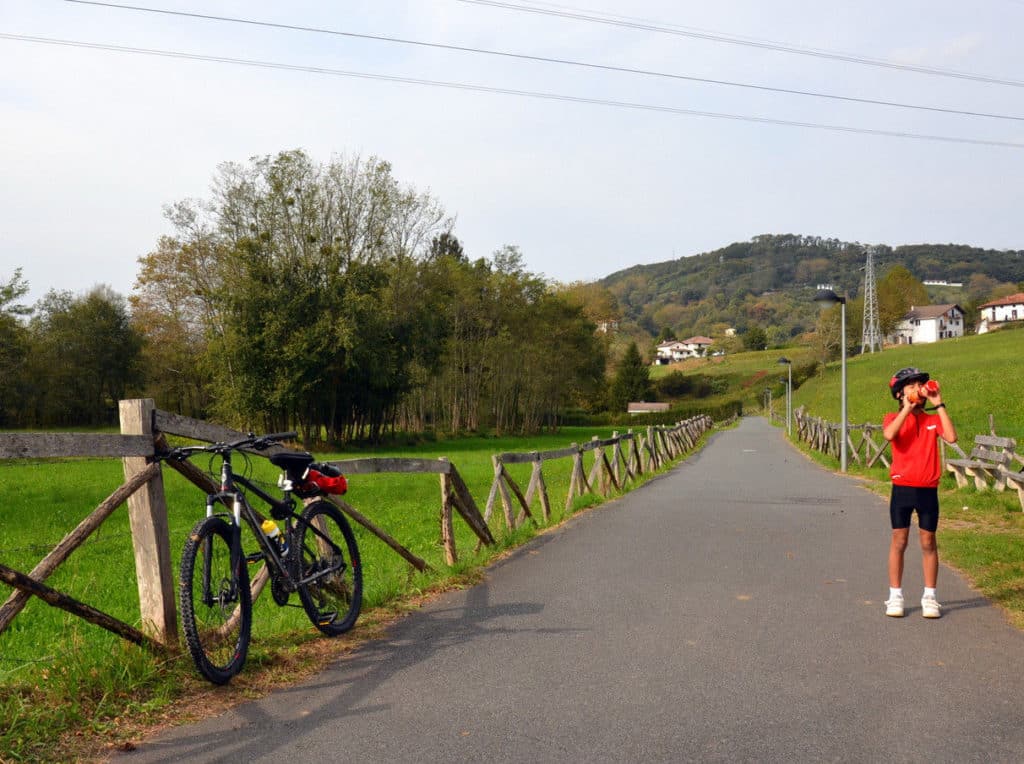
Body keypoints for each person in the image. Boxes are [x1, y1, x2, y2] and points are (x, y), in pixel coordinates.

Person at [881, 367, 957, 619]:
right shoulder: (893, 417)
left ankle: (930, 597)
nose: (917, 389)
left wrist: (939, 403)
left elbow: (952, 437)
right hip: (902, 489)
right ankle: (895, 595)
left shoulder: (931, 420)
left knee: (928, 542)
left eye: (919, 385)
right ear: (899, 393)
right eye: (910, 386)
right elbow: (889, 435)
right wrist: (906, 408)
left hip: (928, 490)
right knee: (899, 541)